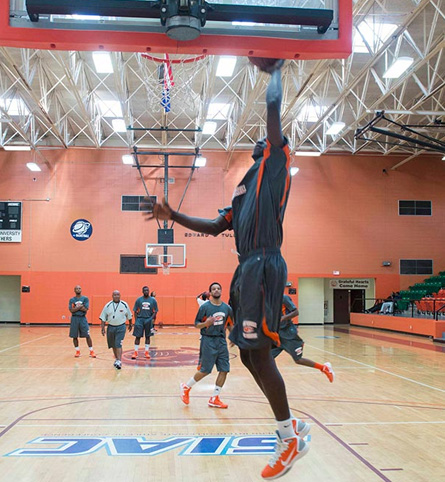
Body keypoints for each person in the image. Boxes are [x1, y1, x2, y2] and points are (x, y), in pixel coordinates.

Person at [148, 59, 309, 479]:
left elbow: (274, 119)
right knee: (250, 355)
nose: (263, 139)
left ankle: (288, 437)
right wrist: (173, 216)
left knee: (258, 352)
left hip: (265, 261)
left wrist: (273, 74)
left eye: (269, 139)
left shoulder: (274, 168)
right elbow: (213, 225)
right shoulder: (242, 190)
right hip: (245, 269)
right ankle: (287, 432)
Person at [180, 282, 233, 409]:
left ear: (221, 291)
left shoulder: (227, 308)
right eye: (213, 289)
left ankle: (214, 398)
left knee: (224, 369)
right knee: (205, 370)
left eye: (218, 288)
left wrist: (233, 337)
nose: (216, 290)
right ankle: (186, 387)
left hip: (221, 340)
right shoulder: (205, 307)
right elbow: (196, 324)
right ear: (210, 292)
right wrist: (206, 323)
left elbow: (230, 324)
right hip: (208, 340)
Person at [272, 294, 334, 382]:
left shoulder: (283, 298)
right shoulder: (266, 300)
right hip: (276, 334)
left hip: (288, 333)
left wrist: (283, 318)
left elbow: (296, 312)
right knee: (266, 358)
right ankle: (271, 380)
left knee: (298, 360)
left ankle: (324, 368)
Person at [99, 290, 132, 369]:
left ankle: (119, 361)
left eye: (118, 295)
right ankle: (117, 359)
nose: (116, 296)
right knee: (113, 344)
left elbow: (129, 315)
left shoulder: (124, 304)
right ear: (112, 296)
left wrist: (130, 324)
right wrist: (103, 328)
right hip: (111, 327)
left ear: (120, 296)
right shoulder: (108, 305)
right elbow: (103, 317)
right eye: (114, 295)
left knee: (118, 343)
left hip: (121, 327)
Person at [69, 285, 96, 358]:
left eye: (79, 288)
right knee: (74, 336)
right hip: (74, 319)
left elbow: (86, 309)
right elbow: (71, 310)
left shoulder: (85, 298)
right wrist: (80, 306)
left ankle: (91, 351)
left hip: (82, 318)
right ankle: (77, 351)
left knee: (87, 335)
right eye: (76, 288)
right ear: (74, 290)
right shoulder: (72, 299)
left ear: (81, 290)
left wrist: (77, 307)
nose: (78, 289)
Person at [132, 286, 158, 359]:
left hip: (148, 320)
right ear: (142, 291)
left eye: (147, 290)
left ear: (149, 291)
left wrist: (151, 319)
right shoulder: (139, 300)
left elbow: (155, 311)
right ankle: (135, 352)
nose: (146, 291)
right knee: (138, 336)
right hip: (140, 320)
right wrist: (136, 320)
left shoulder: (153, 300)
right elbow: (135, 310)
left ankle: (146, 352)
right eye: (145, 290)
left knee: (148, 336)